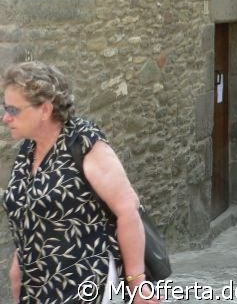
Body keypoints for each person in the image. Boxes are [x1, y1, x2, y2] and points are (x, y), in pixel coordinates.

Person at [2, 61, 155, 304]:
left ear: (45, 110)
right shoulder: (27, 149)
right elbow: (29, 214)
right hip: (37, 287)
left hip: (84, 282)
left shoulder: (83, 142)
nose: (5, 118)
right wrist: (17, 265)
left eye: (14, 110)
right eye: (4, 108)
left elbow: (128, 209)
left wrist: (137, 282)